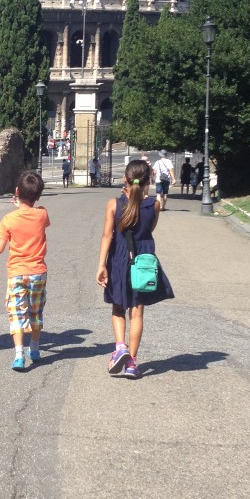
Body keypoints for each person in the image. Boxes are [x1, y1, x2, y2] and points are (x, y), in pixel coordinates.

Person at [96, 158, 174, 379]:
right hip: (143, 261)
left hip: (119, 260)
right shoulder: (154, 205)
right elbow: (149, 229)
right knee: (137, 312)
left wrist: (101, 265)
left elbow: (106, 236)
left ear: (125, 179)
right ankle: (131, 362)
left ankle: (120, 346)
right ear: (149, 180)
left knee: (118, 307)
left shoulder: (114, 204)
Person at [0, 170, 50, 371]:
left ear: (17, 192)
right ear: (38, 196)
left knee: (17, 314)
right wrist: (23, 203)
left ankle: (19, 355)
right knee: (35, 312)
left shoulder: (9, 219)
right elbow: (34, 212)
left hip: (17, 272)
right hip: (38, 271)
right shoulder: (42, 214)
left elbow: (0, 248)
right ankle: (34, 349)